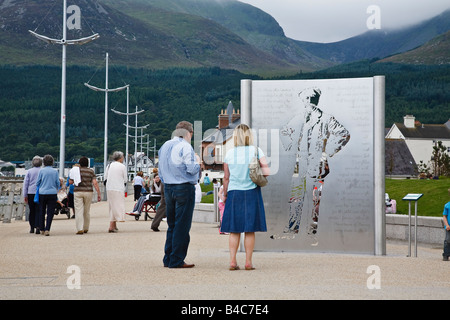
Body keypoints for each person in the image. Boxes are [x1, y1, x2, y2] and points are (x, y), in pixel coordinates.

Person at [278, 88, 350, 239]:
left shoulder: (326, 118)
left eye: (312, 98)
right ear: (303, 100)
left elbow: (343, 134)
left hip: (317, 165)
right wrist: (291, 148)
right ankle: (292, 228)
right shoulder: (298, 118)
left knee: (315, 198)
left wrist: (327, 150)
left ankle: (312, 230)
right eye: (306, 98)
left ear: (316, 100)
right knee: (295, 197)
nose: (309, 101)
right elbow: (284, 132)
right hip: (300, 165)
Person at [220, 124, 270, 270]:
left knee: (234, 230)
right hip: (251, 192)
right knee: (249, 230)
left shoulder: (229, 153)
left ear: (235, 137)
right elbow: (266, 172)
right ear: (249, 136)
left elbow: (226, 178)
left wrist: (225, 195)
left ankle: (232, 261)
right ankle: (248, 262)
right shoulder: (256, 151)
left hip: (234, 193)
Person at [158, 121, 200, 268]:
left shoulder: (165, 146)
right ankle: (176, 260)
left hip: (168, 187)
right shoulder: (186, 146)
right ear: (189, 133)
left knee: (172, 224)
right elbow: (191, 169)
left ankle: (168, 258)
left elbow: (160, 171)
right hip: (184, 188)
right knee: (182, 226)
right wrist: (198, 163)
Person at [71, 156, 101, 235]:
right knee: (86, 211)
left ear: (79, 163)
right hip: (88, 192)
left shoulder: (76, 171)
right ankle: (86, 228)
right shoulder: (91, 171)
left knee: (78, 210)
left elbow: (71, 182)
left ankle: (79, 228)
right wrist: (98, 193)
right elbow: (95, 183)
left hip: (78, 192)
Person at [35, 155, 60, 236]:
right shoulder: (55, 171)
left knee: (41, 211)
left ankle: (42, 228)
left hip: (42, 193)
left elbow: (37, 182)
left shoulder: (41, 171)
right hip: (52, 193)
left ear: (44, 162)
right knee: (50, 212)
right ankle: (47, 229)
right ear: (52, 162)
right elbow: (57, 183)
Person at [104, 151, 128, 233]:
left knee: (112, 206)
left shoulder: (109, 165)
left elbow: (105, 177)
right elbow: (125, 179)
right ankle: (111, 226)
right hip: (118, 188)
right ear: (121, 157)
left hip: (109, 187)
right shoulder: (122, 166)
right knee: (118, 206)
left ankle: (114, 225)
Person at [23, 156, 42, 234]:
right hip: (40, 192)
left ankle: (31, 227)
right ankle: (38, 227)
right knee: (39, 210)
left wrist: (25, 195)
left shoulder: (29, 171)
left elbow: (25, 184)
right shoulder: (42, 170)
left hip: (30, 192)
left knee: (32, 210)